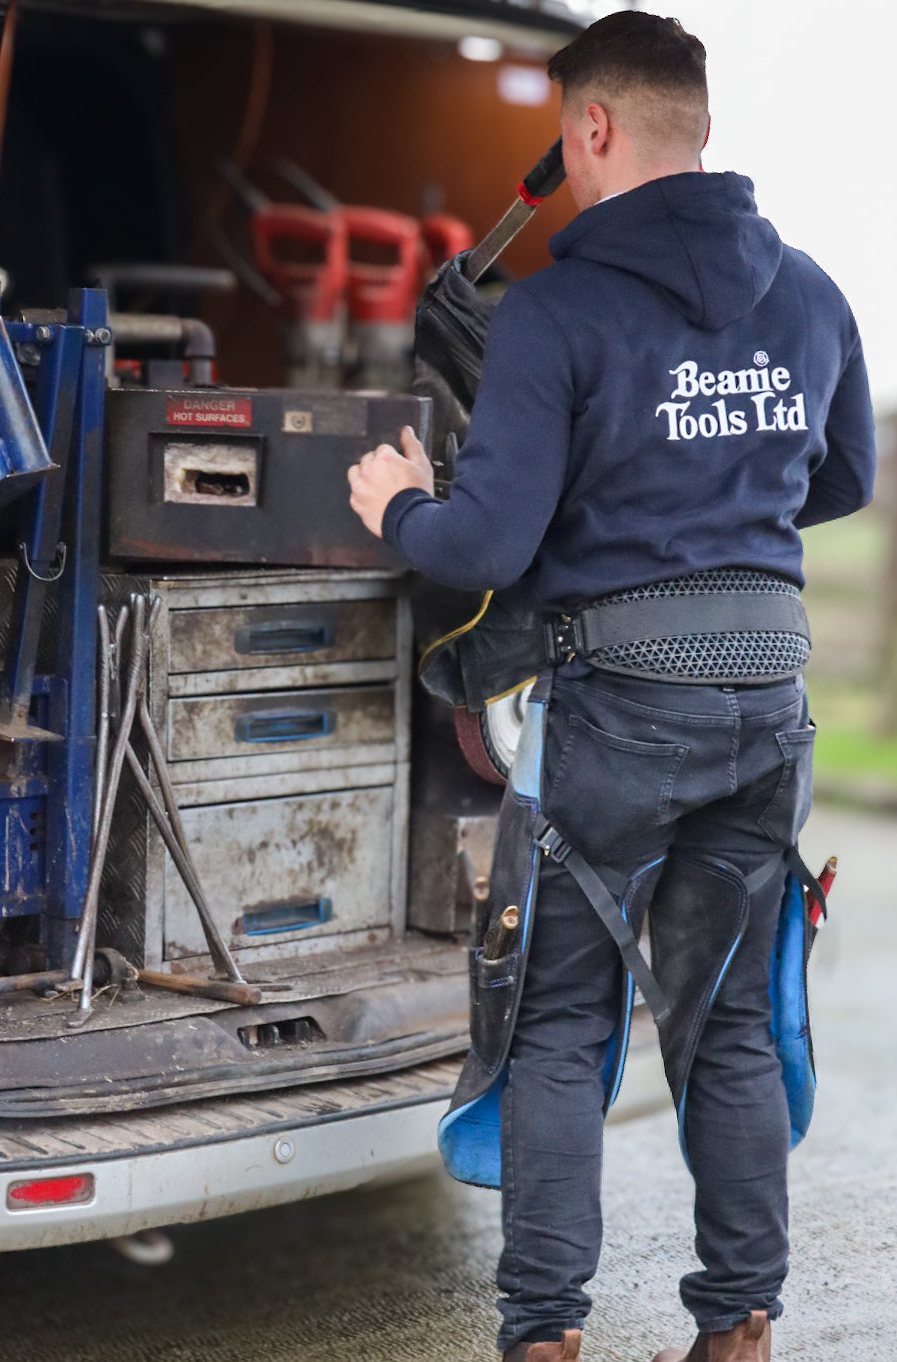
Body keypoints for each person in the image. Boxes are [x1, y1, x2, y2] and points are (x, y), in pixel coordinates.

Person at [348, 12, 876, 1362]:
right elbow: (845, 479)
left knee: (559, 1018)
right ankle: (741, 1327)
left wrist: (402, 501)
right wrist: (707, 498)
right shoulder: (812, 290)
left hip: (621, 711)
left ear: (591, 129)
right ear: (695, 125)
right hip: (771, 704)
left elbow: (481, 547)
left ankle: (544, 1338)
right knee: (737, 1021)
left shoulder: (560, 312)